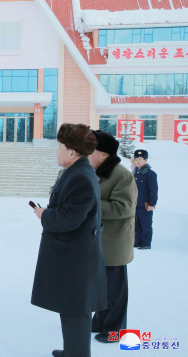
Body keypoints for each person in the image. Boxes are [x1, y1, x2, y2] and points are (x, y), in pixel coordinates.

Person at [31, 123, 107, 357]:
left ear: (72, 152)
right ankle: (73, 351)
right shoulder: (77, 172)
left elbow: (68, 219)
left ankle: (77, 353)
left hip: (76, 258)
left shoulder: (80, 177)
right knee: (72, 309)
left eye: (60, 147)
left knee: (75, 311)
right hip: (74, 255)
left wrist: (44, 214)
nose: (57, 151)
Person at [88, 130, 137, 343]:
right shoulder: (93, 171)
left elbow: (123, 207)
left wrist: (91, 204)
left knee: (114, 291)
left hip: (113, 243)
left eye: (91, 149)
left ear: (104, 154)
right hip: (96, 241)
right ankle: (100, 322)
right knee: (99, 286)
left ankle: (115, 330)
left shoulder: (121, 174)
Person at [132, 149, 158, 250]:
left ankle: (146, 243)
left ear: (145, 160)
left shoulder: (150, 174)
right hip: (136, 204)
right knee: (136, 224)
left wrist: (152, 203)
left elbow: (153, 190)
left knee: (146, 225)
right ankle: (138, 241)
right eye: (136, 159)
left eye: (140, 159)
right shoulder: (135, 174)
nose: (137, 161)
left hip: (146, 204)